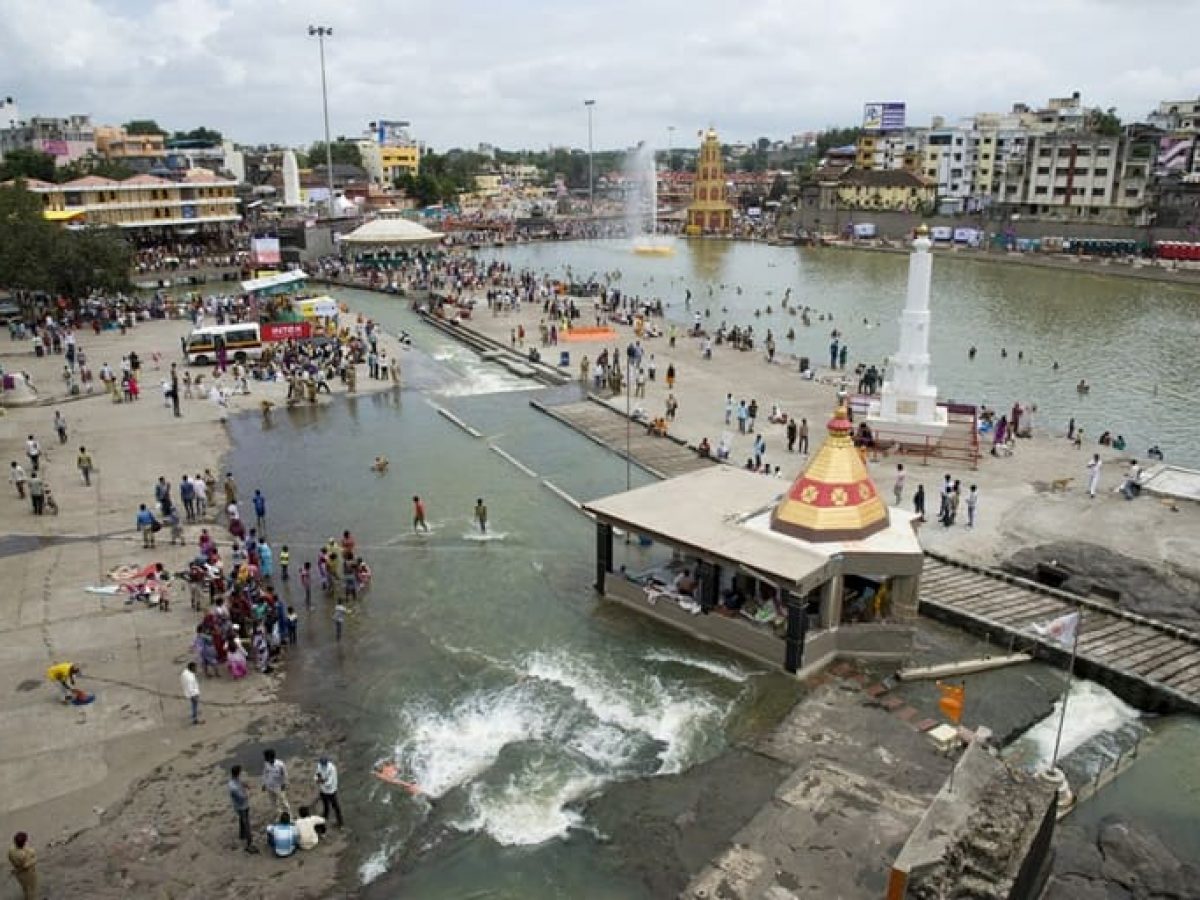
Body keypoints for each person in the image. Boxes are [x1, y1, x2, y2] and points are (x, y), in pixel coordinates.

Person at [227, 765, 258, 853]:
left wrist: (246, 786)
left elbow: (241, 782)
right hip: (241, 806)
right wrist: (249, 794)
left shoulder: (234, 780)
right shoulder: (233, 787)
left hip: (241, 806)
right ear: (238, 773)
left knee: (242, 819)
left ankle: (242, 834)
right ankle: (249, 843)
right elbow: (242, 797)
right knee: (247, 823)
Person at [315, 756, 345, 826]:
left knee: (335, 806)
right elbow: (317, 774)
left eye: (323, 764)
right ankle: (325, 816)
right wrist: (317, 779)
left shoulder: (332, 769)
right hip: (323, 790)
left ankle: (340, 821)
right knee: (325, 804)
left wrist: (321, 781)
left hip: (331, 791)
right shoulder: (319, 766)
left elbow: (329, 783)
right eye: (321, 763)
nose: (322, 765)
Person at [8, 832, 37, 900]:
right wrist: (34, 859)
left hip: (18, 872)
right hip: (27, 873)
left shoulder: (11, 850)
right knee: (31, 889)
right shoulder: (25, 853)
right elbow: (27, 864)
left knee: (25, 888)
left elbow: (10, 858)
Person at [262, 749, 290, 815]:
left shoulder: (280, 764)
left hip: (278, 787)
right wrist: (264, 784)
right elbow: (265, 773)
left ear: (270, 757)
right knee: (273, 803)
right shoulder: (266, 764)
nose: (264, 758)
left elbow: (285, 774)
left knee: (283, 801)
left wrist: (284, 784)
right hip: (269, 787)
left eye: (266, 757)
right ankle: (279, 814)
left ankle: (289, 815)